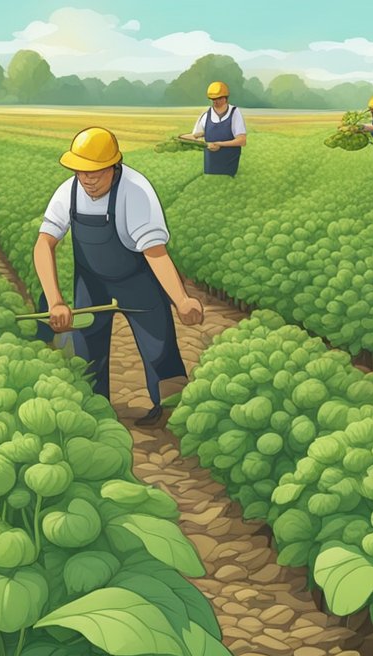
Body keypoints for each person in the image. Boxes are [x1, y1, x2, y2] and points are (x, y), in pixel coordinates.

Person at [33, 127, 204, 426]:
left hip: (137, 279)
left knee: (159, 346)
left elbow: (155, 251)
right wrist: (55, 301)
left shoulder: (136, 191)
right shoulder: (69, 191)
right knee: (87, 350)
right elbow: (44, 244)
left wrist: (181, 299)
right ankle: (93, 413)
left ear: (113, 166)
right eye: (81, 171)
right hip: (91, 281)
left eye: (95, 172)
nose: (87, 179)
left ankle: (170, 413)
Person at [180, 81, 247, 176]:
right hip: (210, 165)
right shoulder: (206, 115)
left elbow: (242, 140)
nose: (215, 101)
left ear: (225, 97)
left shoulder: (234, 113)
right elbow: (196, 135)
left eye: (218, 98)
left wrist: (219, 144)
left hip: (229, 164)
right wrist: (179, 138)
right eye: (213, 99)